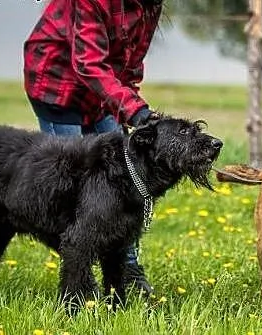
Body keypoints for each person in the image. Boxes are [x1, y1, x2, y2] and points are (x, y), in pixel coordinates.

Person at [23, 0, 164, 296]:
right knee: (72, 188)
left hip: (102, 94)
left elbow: (131, 61)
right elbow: (88, 62)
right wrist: (133, 108)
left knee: (127, 183)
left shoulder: (151, 3)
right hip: (57, 86)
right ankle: (78, 281)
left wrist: (129, 108)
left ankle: (127, 270)